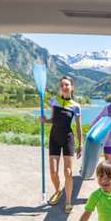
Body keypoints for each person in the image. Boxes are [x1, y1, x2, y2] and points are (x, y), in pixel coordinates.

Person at [38, 76, 83, 213]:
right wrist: (44, 121)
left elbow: (78, 127)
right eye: (62, 85)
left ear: (72, 87)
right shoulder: (54, 101)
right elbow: (54, 120)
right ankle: (58, 191)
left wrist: (80, 145)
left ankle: (68, 201)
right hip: (54, 139)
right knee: (53, 173)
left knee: (68, 172)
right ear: (60, 88)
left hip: (68, 139)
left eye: (67, 85)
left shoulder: (76, 106)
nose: (64, 87)